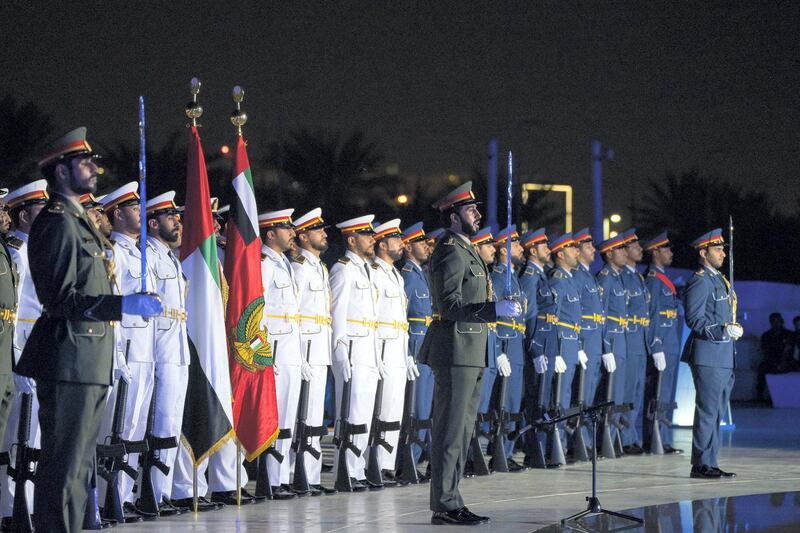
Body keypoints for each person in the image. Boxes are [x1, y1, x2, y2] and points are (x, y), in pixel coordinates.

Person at [16, 127, 161, 532]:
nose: (94, 168)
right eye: (85, 162)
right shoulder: (58, 222)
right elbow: (60, 299)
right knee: (63, 466)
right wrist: (122, 305)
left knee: (80, 467)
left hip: (88, 361)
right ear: (61, 172)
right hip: (69, 359)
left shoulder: (79, 221)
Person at [418, 181, 521, 525]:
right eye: (470, 209)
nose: (477, 214)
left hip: (473, 349)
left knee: (463, 431)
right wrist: (495, 310)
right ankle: (445, 504)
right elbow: (449, 306)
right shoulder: (449, 250)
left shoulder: (467, 249)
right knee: (450, 430)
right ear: (453, 217)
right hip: (456, 348)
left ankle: (454, 499)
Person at [101, 181, 160, 517]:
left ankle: (121, 498)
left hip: (146, 348)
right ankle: (104, 500)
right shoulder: (115, 253)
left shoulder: (140, 254)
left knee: (135, 428)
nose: (140, 213)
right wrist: (117, 352)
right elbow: (113, 303)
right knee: (116, 427)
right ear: (118, 214)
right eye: (133, 208)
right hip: (127, 348)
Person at [0, 180, 48, 523]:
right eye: (39, 209)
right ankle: (10, 508)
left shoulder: (40, 248)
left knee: (34, 435)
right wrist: (18, 359)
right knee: (17, 433)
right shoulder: (16, 250)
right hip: (22, 347)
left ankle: (27, 506)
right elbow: (13, 313)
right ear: (23, 215)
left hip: (40, 346)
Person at [143, 191, 193, 513]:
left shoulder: (171, 259)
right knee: (157, 424)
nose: (177, 222)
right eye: (170, 217)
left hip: (177, 350)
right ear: (153, 223)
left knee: (172, 423)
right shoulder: (148, 255)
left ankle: (161, 493)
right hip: (159, 351)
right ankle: (145, 493)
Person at [682, 228, 740, 479]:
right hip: (708, 355)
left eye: (723, 249)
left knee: (716, 410)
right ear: (703, 253)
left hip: (723, 355)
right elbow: (694, 319)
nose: (723, 253)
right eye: (718, 249)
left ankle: (710, 460)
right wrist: (723, 330)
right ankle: (701, 463)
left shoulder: (718, 279)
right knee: (707, 410)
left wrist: (730, 330)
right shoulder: (701, 280)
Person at [329, 215, 379, 492]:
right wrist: (339, 350)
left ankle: (357, 470)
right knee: (350, 411)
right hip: (353, 350)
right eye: (366, 234)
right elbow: (336, 312)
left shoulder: (365, 269)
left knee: (364, 414)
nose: (372, 239)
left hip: (369, 350)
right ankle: (346, 470)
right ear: (351, 240)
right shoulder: (344, 269)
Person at [290, 208, 336, 495]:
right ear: (303, 236)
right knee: (301, 415)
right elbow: (290, 314)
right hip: (304, 348)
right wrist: (298, 354)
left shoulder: (320, 267)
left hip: (319, 348)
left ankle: (312, 475)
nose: (324, 234)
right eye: (317, 230)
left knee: (315, 417)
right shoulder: (297, 267)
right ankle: (297, 474)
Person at [258, 209, 303, 500]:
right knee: (275, 417)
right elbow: (256, 312)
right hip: (273, 351)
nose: (292, 233)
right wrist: (261, 353)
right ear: (270, 233)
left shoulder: (284, 263)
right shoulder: (263, 263)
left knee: (287, 416)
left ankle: (282, 477)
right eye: (286, 228)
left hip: (291, 350)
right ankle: (270, 478)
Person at [370, 219, 417, 485]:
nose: (402, 244)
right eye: (396, 239)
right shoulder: (375, 273)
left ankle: (386, 465)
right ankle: (374, 464)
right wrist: (376, 353)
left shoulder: (395, 275)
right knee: (381, 408)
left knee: (394, 409)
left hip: (397, 349)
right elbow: (373, 317)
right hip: (383, 348)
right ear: (382, 244)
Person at [489, 225, 526, 469]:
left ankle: (508, 451)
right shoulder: (498, 279)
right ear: (505, 249)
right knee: (502, 402)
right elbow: (495, 316)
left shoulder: (514, 279)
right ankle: (500, 451)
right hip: (504, 344)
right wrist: (499, 351)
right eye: (517, 244)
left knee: (513, 402)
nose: (522, 248)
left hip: (516, 345)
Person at [518, 228, 556, 466]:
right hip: (538, 344)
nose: (549, 249)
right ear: (533, 250)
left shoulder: (541, 275)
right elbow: (529, 316)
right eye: (544, 246)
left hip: (547, 342)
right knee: (536, 397)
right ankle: (535, 451)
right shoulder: (530, 277)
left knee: (544, 397)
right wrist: (535, 349)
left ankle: (541, 449)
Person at [399, 222, 434, 478]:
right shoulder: (409, 276)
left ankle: (417, 458)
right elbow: (402, 316)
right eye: (420, 243)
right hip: (415, 346)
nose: (426, 246)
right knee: (416, 408)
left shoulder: (420, 274)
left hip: (426, 347)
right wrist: (407, 353)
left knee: (425, 407)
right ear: (408, 247)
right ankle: (407, 462)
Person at [642, 232, 683, 453]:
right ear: (656, 251)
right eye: (666, 249)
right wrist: (656, 346)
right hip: (663, 346)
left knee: (665, 394)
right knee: (658, 393)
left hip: (671, 344)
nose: (671, 253)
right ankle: (655, 437)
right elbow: (653, 316)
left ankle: (662, 437)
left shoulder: (663, 280)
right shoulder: (654, 281)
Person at [546, 233, 582, 458]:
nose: (577, 251)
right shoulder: (558, 280)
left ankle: (561, 443)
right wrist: (557, 350)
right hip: (561, 346)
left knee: (566, 394)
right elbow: (553, 319)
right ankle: (553, 445)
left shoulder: (569, 278)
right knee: (557, 396)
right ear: (560, 253)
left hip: (571, 344)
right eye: (572, 248)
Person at [595, 234, 628, 456]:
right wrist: (606, 347)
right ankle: (599, 440)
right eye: (620, 249)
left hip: (622, 339)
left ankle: (614, 437)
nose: (625, 253)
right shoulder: (605, 278)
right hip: (613, 340)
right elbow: (602, 316)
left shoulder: (617, 278)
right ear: (609, 254)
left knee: (618, 392)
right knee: (607, 392)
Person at [618, 228, 650, 454]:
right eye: (635, 246)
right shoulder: (622, 278)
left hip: (640, 340)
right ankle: (623, 437)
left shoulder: (638, 277)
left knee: (636, 392)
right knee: (627, 392)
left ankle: (631, 436)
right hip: (628, 340)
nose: (640, 249)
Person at [571, 229, 603, 436]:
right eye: (588, 246)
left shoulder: (588, 276)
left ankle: (584, 439)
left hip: (594, 340)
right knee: (580, 392)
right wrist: (579, 346)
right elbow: (574, 313)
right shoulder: (576, 276)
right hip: (584, 340)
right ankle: (577, 438)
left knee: (589, 391)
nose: (593, 249)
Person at [757, 312, 794, 403]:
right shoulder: (766, 335)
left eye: (778, 321)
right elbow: (766, 351)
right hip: (772, 361)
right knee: (762, 367)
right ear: (771, 322)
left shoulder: (789, 334)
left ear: (782, 321)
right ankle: (760, 396)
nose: (776, 323)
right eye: (774, 321)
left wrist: (782, 362)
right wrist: (775, 363)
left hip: (787, 361)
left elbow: (788, 350)